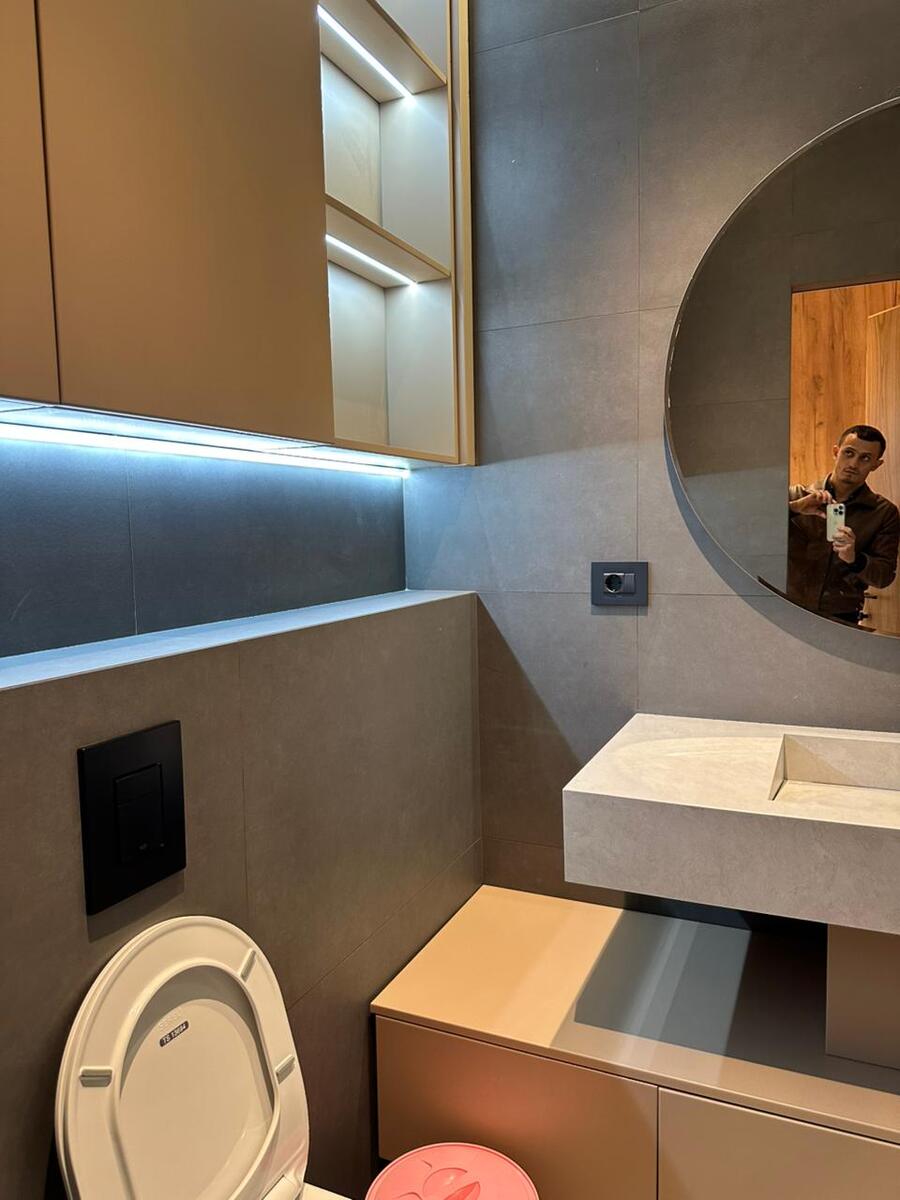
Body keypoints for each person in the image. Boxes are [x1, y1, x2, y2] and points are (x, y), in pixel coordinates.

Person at [787, 424, 899, 625]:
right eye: (849, 453)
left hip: (841, 617)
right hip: (785, 607)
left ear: (876, 464)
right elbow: (750, 533)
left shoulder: (883, 512)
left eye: (865, 458)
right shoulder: (795, 496)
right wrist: (794, 508)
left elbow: (884, 576)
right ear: (836, 452)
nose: (854, 464)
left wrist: (855, 559)